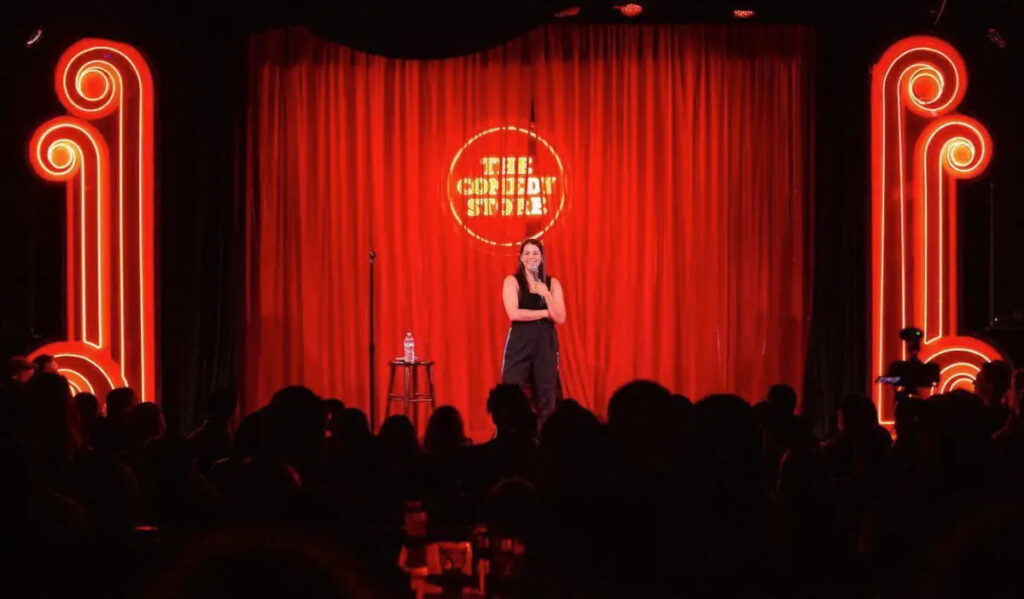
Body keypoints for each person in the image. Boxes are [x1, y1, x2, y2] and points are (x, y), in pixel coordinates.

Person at [500, 239, 566, 426]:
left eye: (535, 253)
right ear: (521, 258)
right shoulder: (512, 281)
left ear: (542, 257)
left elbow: (560, 317)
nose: (531, 257)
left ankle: (544, 437)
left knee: (547, 392)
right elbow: (514, 313)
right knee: (510, 389)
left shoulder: (552, 283)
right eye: (527, 253)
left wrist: (545, 294)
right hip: (520, 339)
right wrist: (546, 312)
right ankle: (508, 433)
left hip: (545, 340)